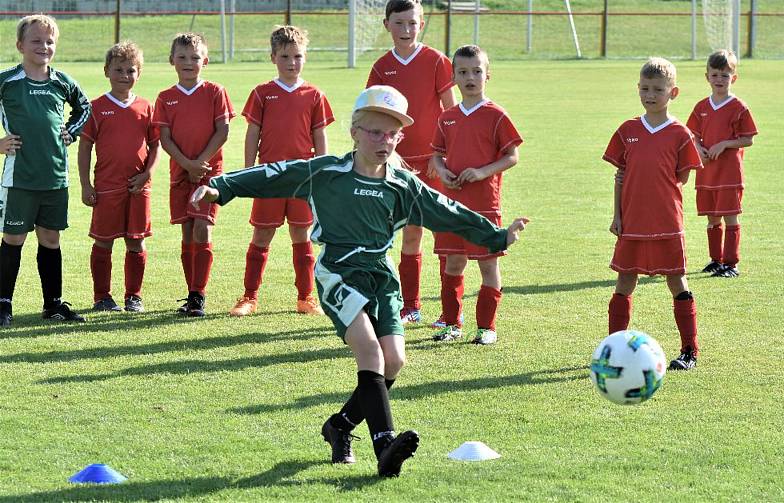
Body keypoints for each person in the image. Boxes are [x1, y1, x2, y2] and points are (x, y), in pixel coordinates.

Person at [190, 86, 528, 477]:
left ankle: (340, 427)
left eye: (391, 134)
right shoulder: (326, 173)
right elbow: (274, 174)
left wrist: (497, 235)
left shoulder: (404, 185)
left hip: (380, 276)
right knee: (370, 351)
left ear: (399, 137)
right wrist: (222, 186)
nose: (383, 141)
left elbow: (449, 211)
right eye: (374, 132)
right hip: (337, 271)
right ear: (354, 132)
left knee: (395, 360)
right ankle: (384, 444)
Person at [603, 58, 703, 371]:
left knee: (677, 281)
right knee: (625, 281)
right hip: (631, 222)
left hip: (667, 223)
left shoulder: (680, 133)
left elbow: (682, 178)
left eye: (658, 89)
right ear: (638, 89)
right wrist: (616, 215)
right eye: (645, 88)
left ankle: (689, 350)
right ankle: (615, 350)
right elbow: (619, 175)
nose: (650, 94)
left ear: (673, 93)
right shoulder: (627, 130)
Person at [229, 26, 334, 317]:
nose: (292, 62)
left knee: (302, 237)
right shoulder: (263, 93)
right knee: (261, 236)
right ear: (273, 57)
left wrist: (322, 170)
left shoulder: (314, 94)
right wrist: (249, 172)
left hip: (302, 178)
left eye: (298, 56)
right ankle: (249, 297)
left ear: (305, 57)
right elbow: (253, 133)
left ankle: (306, 298)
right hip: (268, 178)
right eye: (285, 56)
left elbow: (319, 135)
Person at [367, 0, 457, 326]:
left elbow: (451, 113)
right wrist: (387, 155)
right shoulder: (381, 67)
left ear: (422, 24)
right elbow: (375, 115)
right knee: (410, 234)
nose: (407, 30)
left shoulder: (436, 61)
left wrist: (442, 155)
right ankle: (411, 307)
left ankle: (451, 312)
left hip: (435, 163)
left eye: (413, 23)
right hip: (398, 164)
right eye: (400, 23)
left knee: (446, 234)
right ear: (386, 24)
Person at [0, 14, 91, 327]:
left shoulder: (61, 81)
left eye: (49, 41)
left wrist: (71, 131)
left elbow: (85, 107)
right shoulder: (7, 81)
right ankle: (3, 305)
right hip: (19, 178)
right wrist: (0, 144)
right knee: (13, 239)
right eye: (36, 41)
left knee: (50, 239)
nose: (43, 46)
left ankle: (52, 304)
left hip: (55, 177)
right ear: (20, 45)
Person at [430, 45, 522, 345]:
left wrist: (482, 172)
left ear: (487, 75)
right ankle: (452, 324)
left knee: (487, 264)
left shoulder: (496, 115)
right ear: (453, 77)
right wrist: (443, 173)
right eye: (463, 72)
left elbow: (512, 156)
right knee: (452, 264)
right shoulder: (448, 117)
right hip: (451, 206)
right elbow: (437, 157)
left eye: (477, 71)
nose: (470, 77)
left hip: (484, 205)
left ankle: (486, 328)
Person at [153, 33, 235, 317]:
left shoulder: (215, 92)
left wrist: (200, 162)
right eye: (183, 57)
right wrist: (186, 164)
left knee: (203, 227)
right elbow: (164, 138)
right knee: (187, 231)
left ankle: (199, 294)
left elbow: (223, 131)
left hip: (208, 173)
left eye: (195, 58)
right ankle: (191, 294)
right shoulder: (165, 97)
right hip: (181, 174)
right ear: (172, 60)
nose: (189, 62)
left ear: (206, 61)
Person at [78, 41, 159, 313]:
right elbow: (85, 147)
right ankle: (102, 297)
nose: (124, 75)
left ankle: (133, 296)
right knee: (104, 239)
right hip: (106, 187)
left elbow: (156, 145)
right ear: (106, 71)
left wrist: (147, 173)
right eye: (118, 70)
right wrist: (86, 184)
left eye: (130, 70)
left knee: (136, 240)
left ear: (139, 73)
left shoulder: (146, 107)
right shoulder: (97, 107)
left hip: (138, 187)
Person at [687, 50, 758, 278]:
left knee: (730, 216)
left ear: (733, 78)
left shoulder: (739, 107)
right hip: (707, 172)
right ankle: (715, 260)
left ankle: (731, 264)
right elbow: (691, 135)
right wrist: (698, 148)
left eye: (725, 75)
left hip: (729, 174)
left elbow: (748, 139)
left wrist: (724, 144)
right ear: (707, 76)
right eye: (715, 75)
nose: (719, 80)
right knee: (712, 218)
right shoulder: (701, 107)